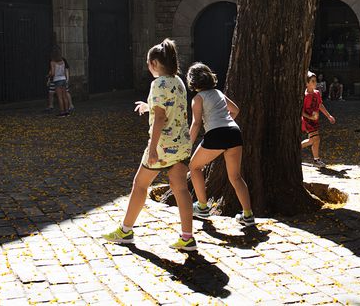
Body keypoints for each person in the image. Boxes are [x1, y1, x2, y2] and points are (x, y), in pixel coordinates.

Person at [103, 39, 196, 250]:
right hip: (182, 144)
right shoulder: (178, 82)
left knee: (140, 184)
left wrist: (152, 148)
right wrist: (149, 107)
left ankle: (125, 231)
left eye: (148, 63)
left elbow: (161, 118)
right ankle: (187, 236)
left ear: (154, 63)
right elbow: (169, 108)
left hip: (163, 146)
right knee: (180, 188)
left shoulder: (157, 84)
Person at [187, 62, 255, 227]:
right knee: (236, 177)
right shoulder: (218, 93)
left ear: (193, 82)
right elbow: (236, 110)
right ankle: (248, 215)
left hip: (216, 135)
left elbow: (196, 124)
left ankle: (202, 206)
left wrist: (187, 145)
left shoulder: (198, 98)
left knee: (194, 167)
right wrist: (225, 122)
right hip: (234, 132)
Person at [301, 71, 336, 167]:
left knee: (314, 140)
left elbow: (320, 105)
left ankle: (315, 159)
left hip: (315, 120)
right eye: (312, 81)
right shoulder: (304, 96)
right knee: (315, 138)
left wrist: (328, 116)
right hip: (307, 121)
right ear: (307, 83)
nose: (315, 83)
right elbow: (301, 111)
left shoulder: (316, 93)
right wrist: (310, 117)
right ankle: (316, 160)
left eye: (315, 81)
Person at [48, 47, 71, 117]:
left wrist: (49, 75)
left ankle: (62, 112)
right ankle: (67, 111)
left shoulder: (52, 62)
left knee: (60, 97)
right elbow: (64, 71)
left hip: (57, 80)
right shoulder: (63, 61)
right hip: (63, 79)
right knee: (64, 96)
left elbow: (53, 73)